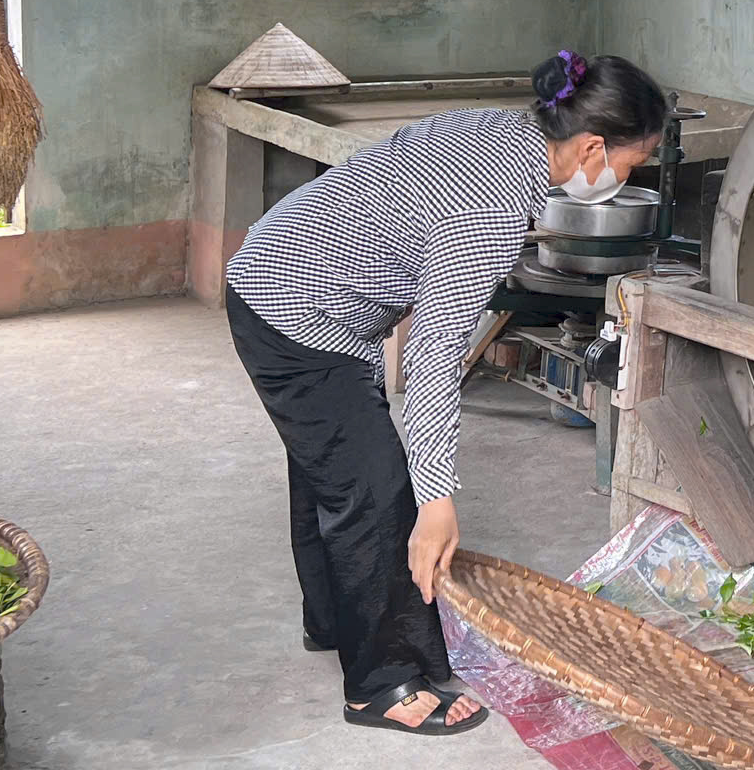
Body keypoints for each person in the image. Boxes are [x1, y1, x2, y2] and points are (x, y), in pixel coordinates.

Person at [224, 50, 670, 736]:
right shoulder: (492, 206)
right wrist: (435, 497)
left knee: (332, 471)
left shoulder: (498, 129)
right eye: (629, 165)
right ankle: (379, 684)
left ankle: (337, 623)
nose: (621, 179)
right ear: (590, 146)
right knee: (376, 492)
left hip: (284, 275)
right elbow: (435, 355)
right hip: (296, 308)